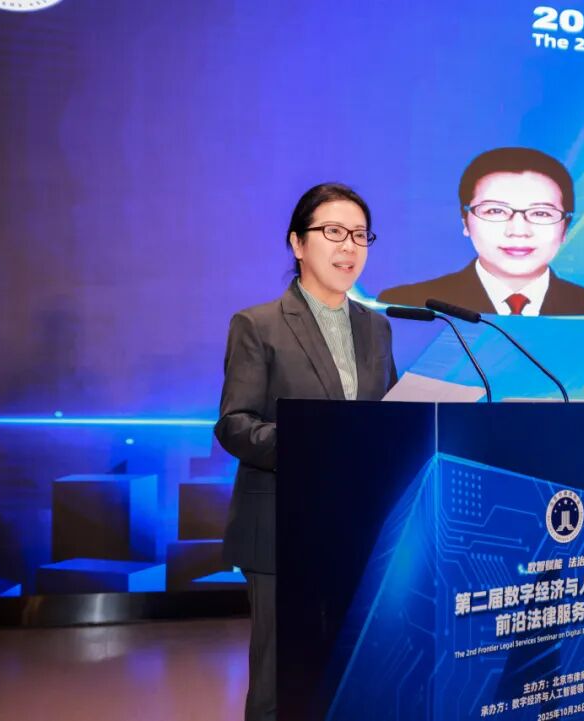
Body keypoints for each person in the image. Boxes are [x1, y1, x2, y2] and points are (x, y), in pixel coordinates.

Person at [215, 183, 398, 721]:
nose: (349, 247)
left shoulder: (377, 327)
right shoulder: (258, 325)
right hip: (281, 526)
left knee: (349, 673)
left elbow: (386, 415)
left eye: (360, 235)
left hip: (358, 529)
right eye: (333, 232)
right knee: (280, 684)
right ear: (297, 243)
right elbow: (234, 425)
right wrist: (314, 444)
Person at [377, 147, 584, 316]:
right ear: (465, 221)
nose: (518, 230)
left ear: (565, 227)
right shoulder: (409, 306)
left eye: (541, 213)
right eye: (496, 211)